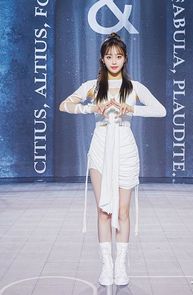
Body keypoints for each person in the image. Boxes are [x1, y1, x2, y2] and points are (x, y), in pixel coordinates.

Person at [59, 32, 166, 286]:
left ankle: (121, 265)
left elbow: (160, 111)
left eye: (118, 56)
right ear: (102, 59)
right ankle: (106, 265)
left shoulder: (134, 87)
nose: (114, 61)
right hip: (101, 146)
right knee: (104, 210)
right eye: (109, 56)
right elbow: (65, 105)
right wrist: (91, 107)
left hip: (126, 147)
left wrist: (132, 108)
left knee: (123, 210)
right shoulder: (93, 86)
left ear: (125, 58)